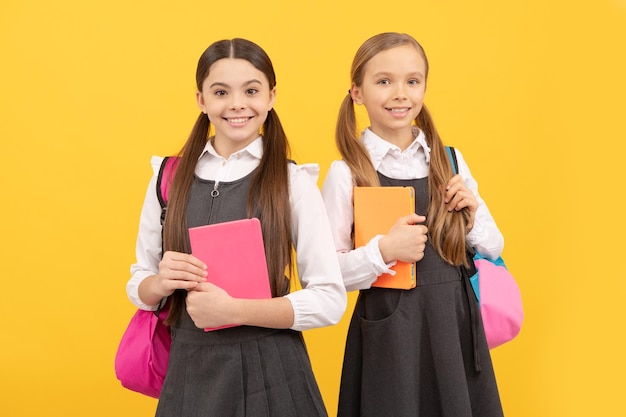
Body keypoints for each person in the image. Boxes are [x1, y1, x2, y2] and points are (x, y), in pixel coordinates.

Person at [127, 38, 347, 417]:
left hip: (273, 374)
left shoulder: (292, 182)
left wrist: (235, 310)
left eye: (251, 90)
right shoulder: (167, 177)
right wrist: (160, 284)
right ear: (201, 100)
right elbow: (139, 281)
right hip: (190, 372)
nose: (237, 104)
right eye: (220, 92)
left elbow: (330, 299)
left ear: (271, 96)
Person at [321, 32, 505, 417]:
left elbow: (493, 248)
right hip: (390, 331)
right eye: (384, 81)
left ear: (424, 86)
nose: (400, 93)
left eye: (412, 81)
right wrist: (383, 252)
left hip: (453, 322)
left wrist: (471, 218)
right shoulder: (347, 172)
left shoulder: (450, 160)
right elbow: (327, 273)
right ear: (356, 92)